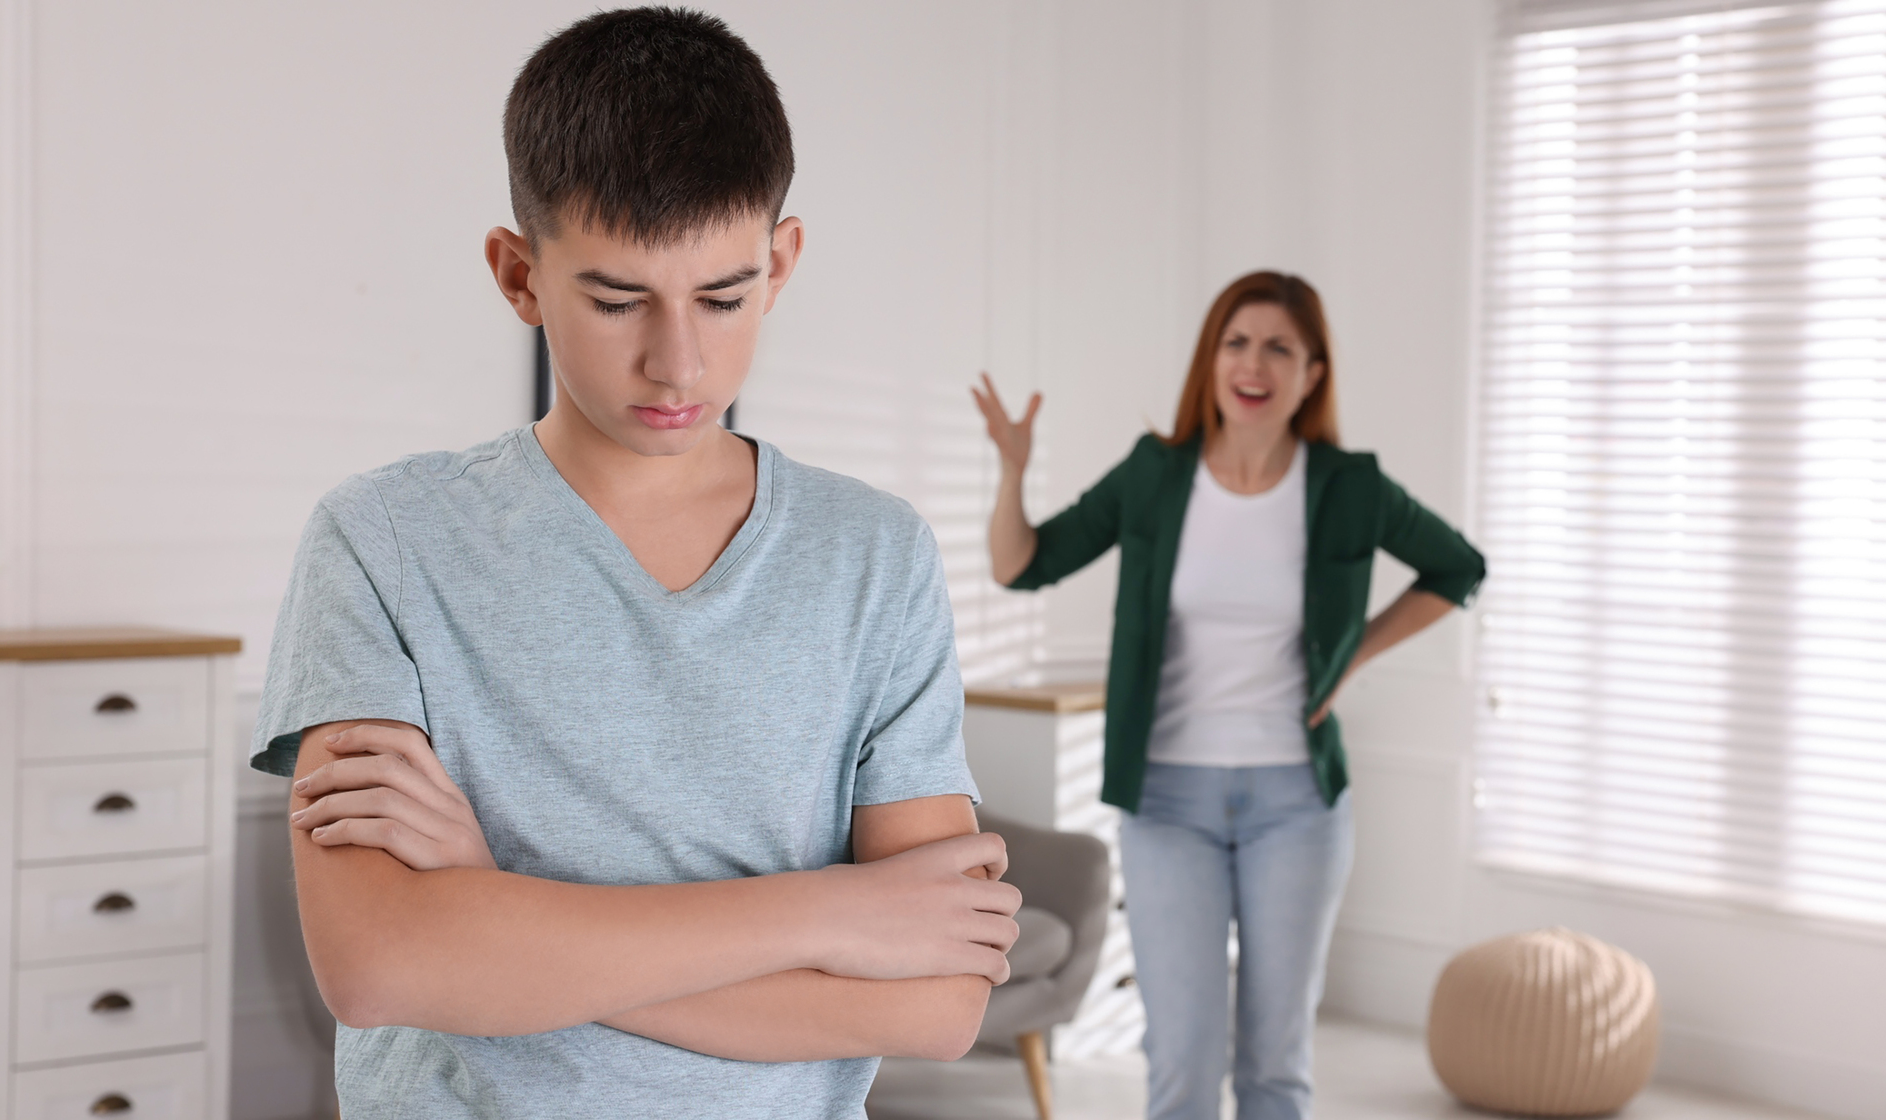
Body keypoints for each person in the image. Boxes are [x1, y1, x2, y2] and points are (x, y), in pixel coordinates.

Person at [254, 10, 1021, 1118]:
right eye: (616, 301)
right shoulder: (380, 541)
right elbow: (382, 967)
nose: (678, 361)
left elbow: (938, 1000)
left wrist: (495, 909)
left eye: (724, 296)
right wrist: (830, 913)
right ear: (518, 275)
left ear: (782, 260)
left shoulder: (874, 555)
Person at [970, 271, 1485, 1120]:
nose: (1253, 363)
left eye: (1279, 347)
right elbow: (1021, 564)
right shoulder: (1156, 475)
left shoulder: (1347, 486)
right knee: (1180, 1061)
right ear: (1212, 359)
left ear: (1312, 374)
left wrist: (1354, 654)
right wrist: (1012, 471)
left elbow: (1458, 567)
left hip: (1298, 804)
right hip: (1169, 801)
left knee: (1276, 1066)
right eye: (1236, 342)